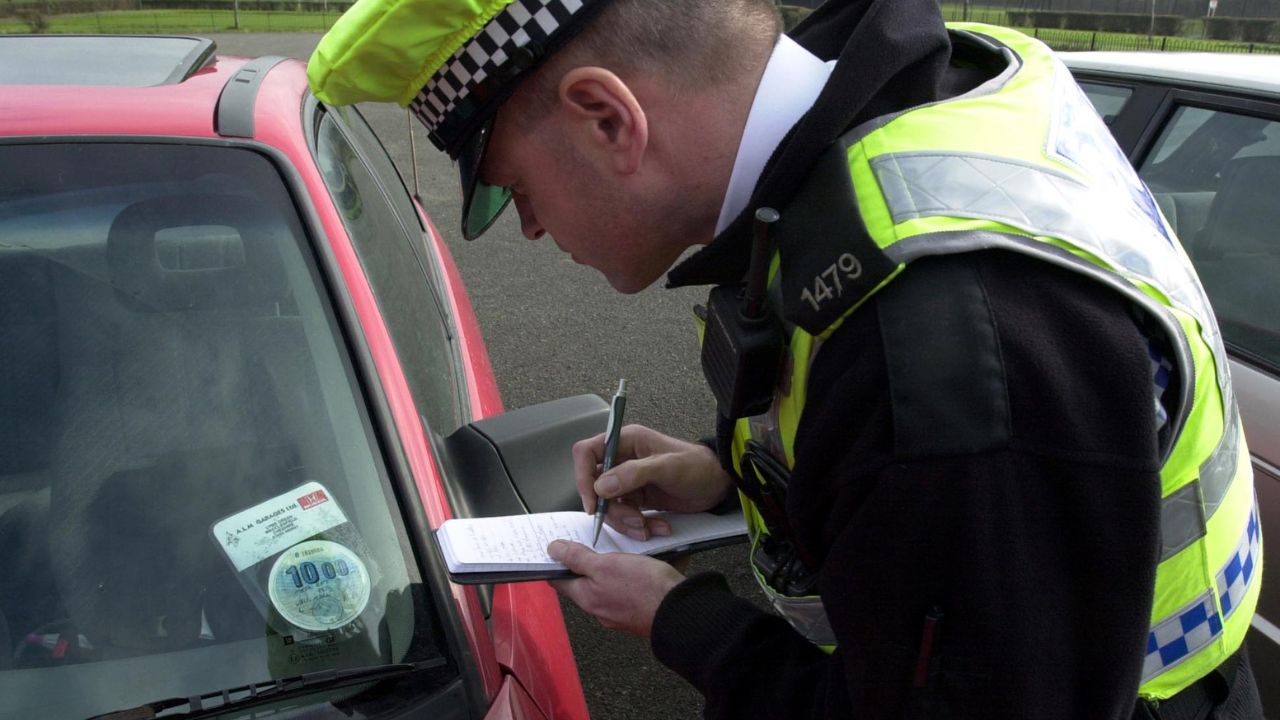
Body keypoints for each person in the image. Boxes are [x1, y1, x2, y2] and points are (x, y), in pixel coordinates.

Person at [307, 0, 1264, 717]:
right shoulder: (915, 108)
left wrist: (684, 623)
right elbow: (932, 502)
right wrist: (732, 476)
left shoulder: (934, 342)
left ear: (608, 118)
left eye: (513, 186)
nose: (527, 229)